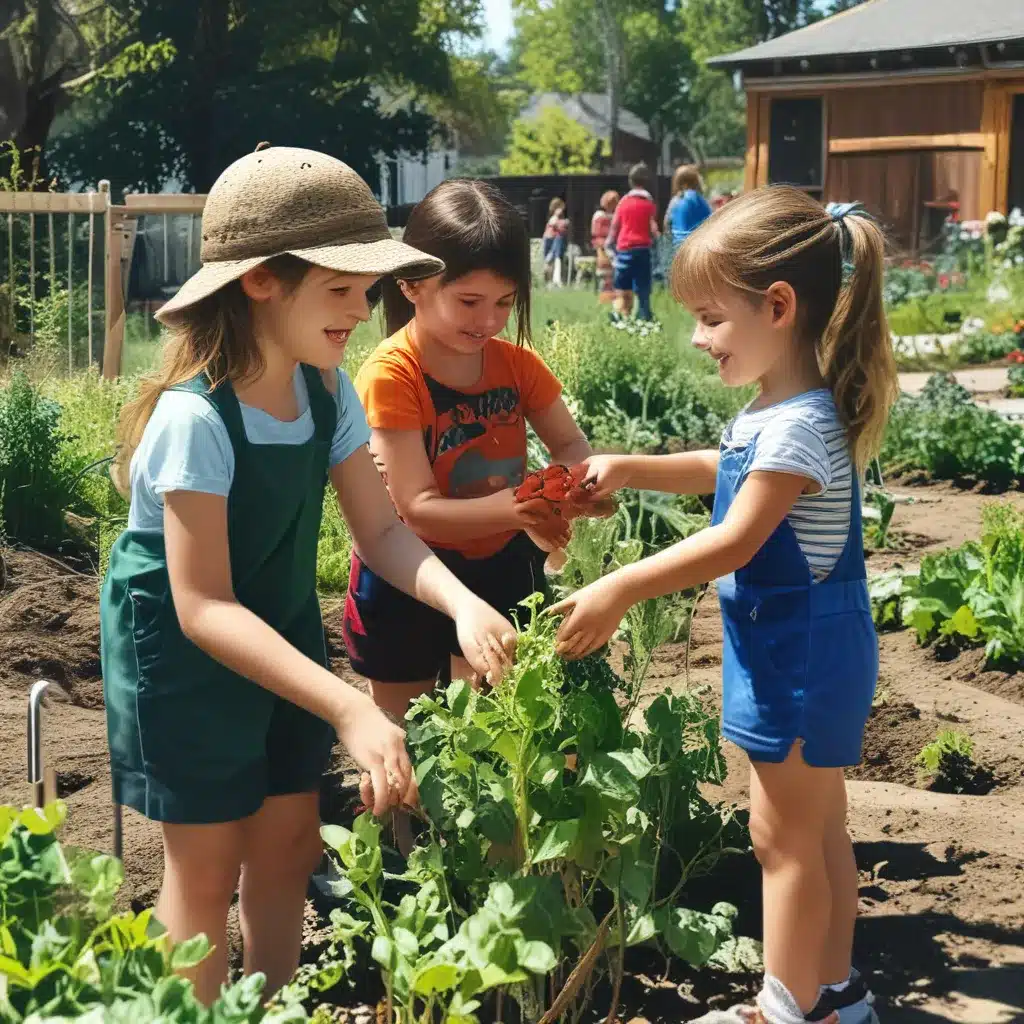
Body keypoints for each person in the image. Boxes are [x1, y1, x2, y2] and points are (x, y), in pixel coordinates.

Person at [101, 146, 518, 1006]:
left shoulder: (324, 390)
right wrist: (348, 704)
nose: (362, 313)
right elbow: (204, 605)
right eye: (340, 291)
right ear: (261, 283)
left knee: (289, 846)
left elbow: (382, 531)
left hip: (279, 630)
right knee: (207, 866)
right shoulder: (194, 419)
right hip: (185, 656)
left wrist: (461, 601)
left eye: (366, 292)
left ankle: (273, 999)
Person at [553, 187, 897, 1024]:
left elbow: (738, 539)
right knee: (818, 833)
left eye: (710, 319)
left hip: (797, 655)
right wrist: (633, 463)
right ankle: (833, 992)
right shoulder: (785, 412)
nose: (698, 339)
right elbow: (727, 465)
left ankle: (784, 1007)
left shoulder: (795, 426)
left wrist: (619, 585)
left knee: (781, 841)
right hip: (801, 647)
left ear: (777, 306)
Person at [345, 177, 607, 735]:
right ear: (413, 285)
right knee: (405, 734)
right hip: (408, 574)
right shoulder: (393, 375)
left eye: (504, 303)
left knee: (497, 732)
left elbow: (570, 443)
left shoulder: (517, 366)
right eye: (468, 301)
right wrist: (520, 506)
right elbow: (415, 508)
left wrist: (573, 486)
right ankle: (403, 827)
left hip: (501, 564)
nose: (488, 321)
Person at [605, 162, 660, 321]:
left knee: (623, 286)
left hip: (624, 250)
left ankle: (622, 316)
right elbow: (652, 228)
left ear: (630, 181)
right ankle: (644, 315)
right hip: (643, 249)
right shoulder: (649, 204)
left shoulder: (623, 203)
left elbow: (614, 227)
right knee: (643, 286)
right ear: (646, 182)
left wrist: (609, 245)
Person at [665, 164, 712, 251]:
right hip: (698, 247)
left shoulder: (676, 200)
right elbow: (712, 221)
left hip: (679, 247)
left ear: (677, 182)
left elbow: (667, 224)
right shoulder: (702, 200)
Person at [591, 190, 619, 303]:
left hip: (615, 246)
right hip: (603, 247)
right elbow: (596, 233)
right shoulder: (599, 215)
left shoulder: (616, 215)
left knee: (613, 274)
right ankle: (605, 298)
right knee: (605, 274)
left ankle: (612, 297)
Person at [542, 197, 570, 286]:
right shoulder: (553, 219)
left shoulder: (559, 220)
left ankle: (555, 280)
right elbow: (553, 225)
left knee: (554, 258)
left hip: (554, 239)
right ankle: (549, 280)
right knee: (549, 259)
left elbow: (562, 229)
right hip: (549, 239)